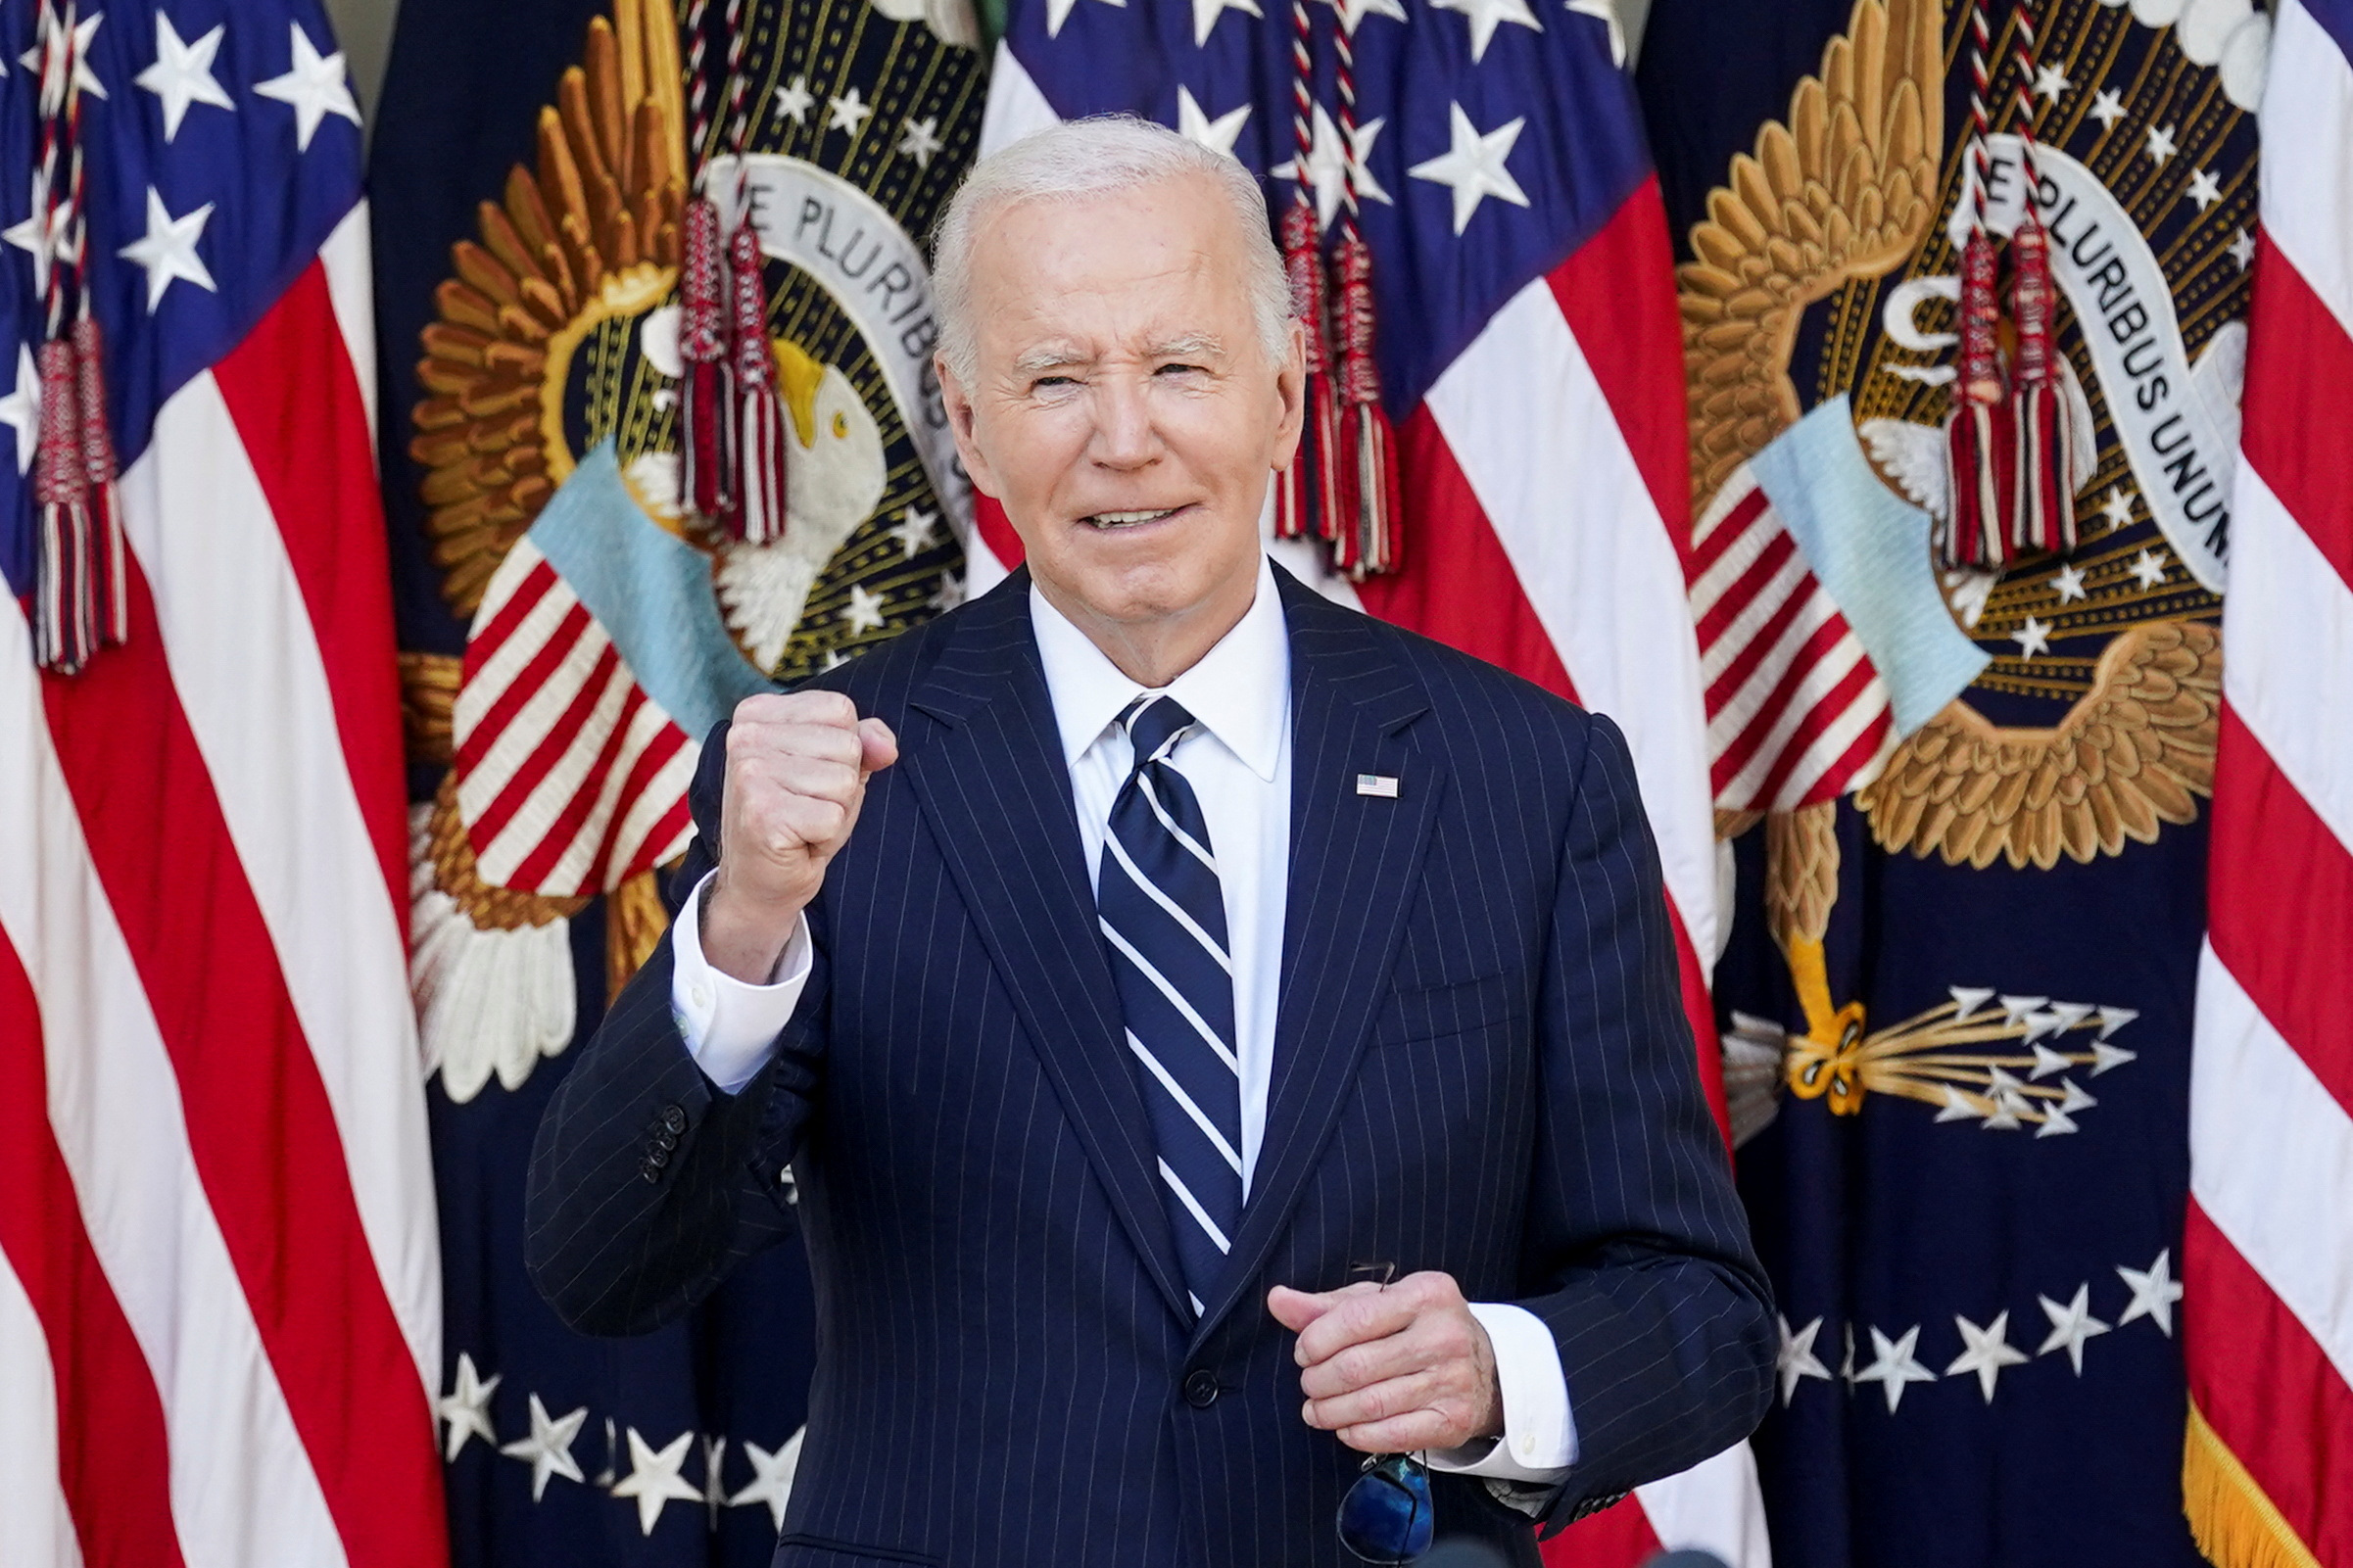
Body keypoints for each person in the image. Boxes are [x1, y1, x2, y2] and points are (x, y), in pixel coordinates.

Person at [526, 115, 1774, 1568]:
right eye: (1056, 378)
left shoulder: (1527, 777)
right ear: (969, 420)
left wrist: (1503, 1373)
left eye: (1179, 366)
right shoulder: (821, 787)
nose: (1124, 438)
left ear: (1284, 393)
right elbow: (602, 1266)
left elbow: (1703, 1311)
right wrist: (741, 926)